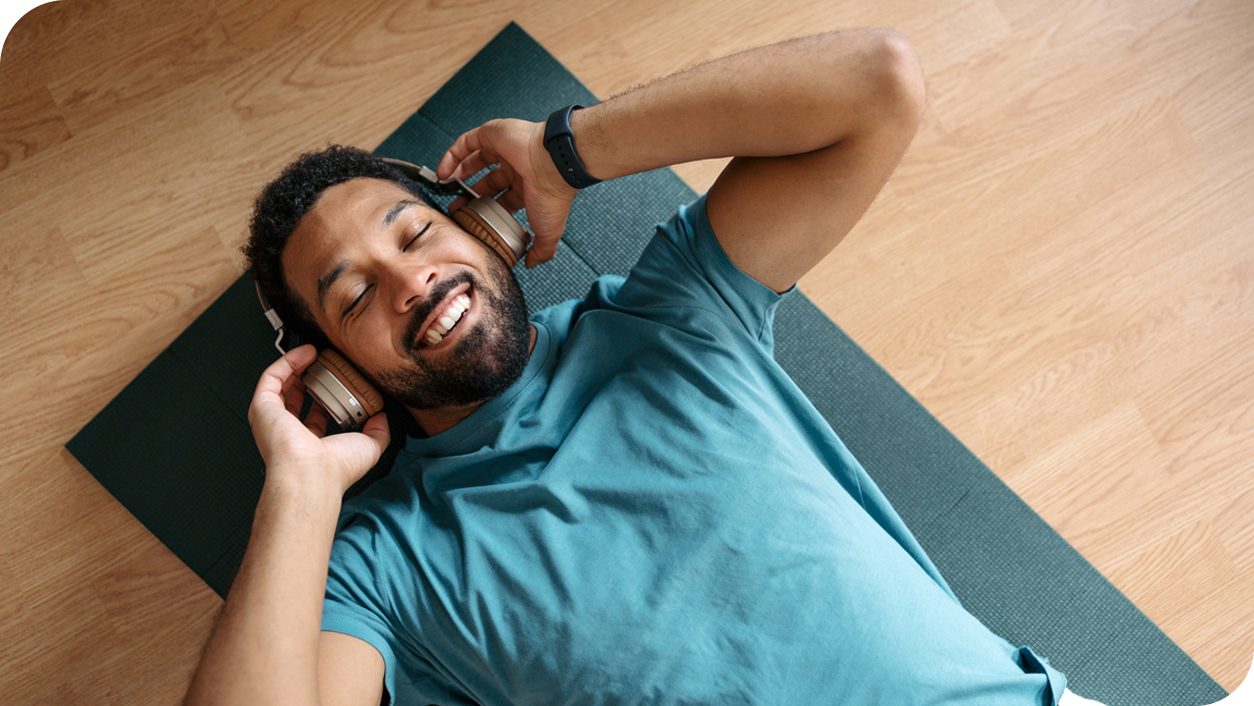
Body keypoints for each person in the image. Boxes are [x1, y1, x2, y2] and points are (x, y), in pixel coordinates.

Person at [185, 27, 1099, 706]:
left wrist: (562, 153)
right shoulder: (383, 565)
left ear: (485, 224)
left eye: (416, 232)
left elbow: (878, 86)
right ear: (340, 378)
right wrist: (301, 487)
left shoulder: (667, 310)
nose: (410, 283)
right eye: (353, 300)